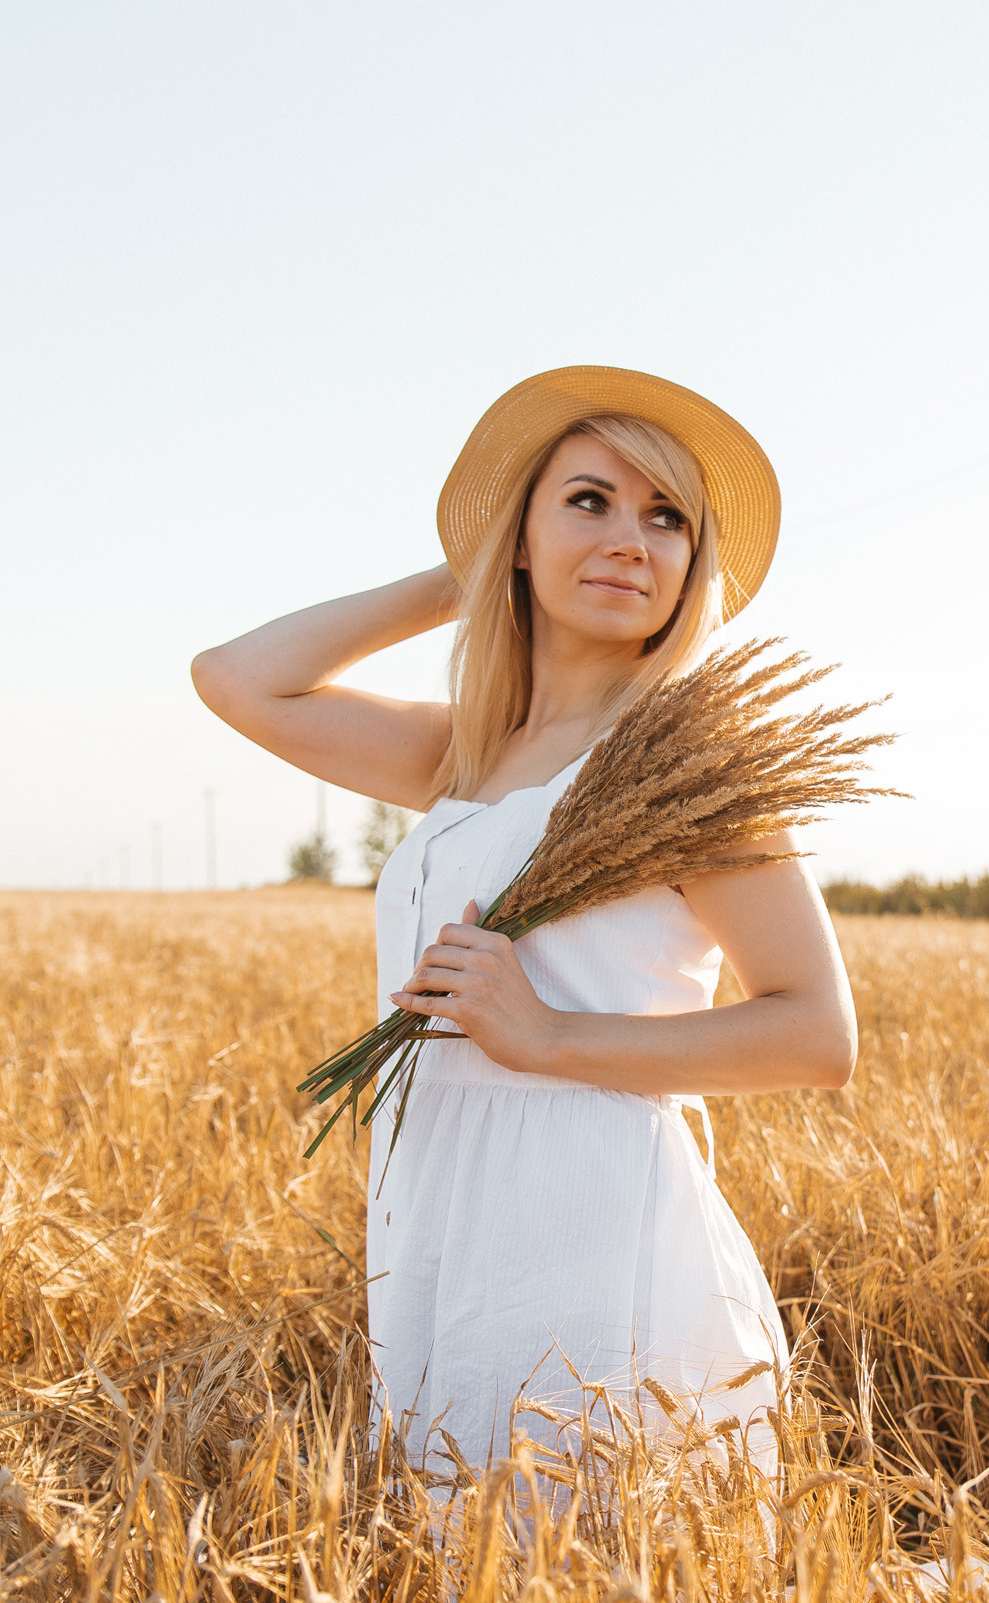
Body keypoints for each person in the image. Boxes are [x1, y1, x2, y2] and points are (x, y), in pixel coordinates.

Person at [189, 366, 856, 1481]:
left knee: (602, 1577)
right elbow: (241, 679)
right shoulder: (473, 754)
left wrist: (545, 1035)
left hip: (589, 1210)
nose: (629, 541)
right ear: (520, 536)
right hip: (438, 1193)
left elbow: (815, 1034)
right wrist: (466, 573)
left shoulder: (689, 769)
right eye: (587, 501)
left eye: (666, 518)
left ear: (693, 564)